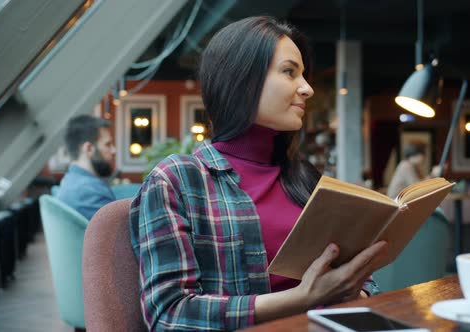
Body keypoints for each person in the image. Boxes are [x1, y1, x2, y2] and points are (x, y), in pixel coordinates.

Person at [129, 16, 388, 331]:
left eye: (304, 75)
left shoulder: (304, 176)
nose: (306, 89)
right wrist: (303, 297)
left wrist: (355, 289)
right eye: (289, 72)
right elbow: (168, 315)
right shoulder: (179, 180)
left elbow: (361, 282)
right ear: (241, 80)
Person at [56, 114, 116, 220]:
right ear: (88, 149)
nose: (114, 150)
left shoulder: (70, 180)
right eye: (108, 144)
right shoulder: (90, 193)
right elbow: (124, 235)